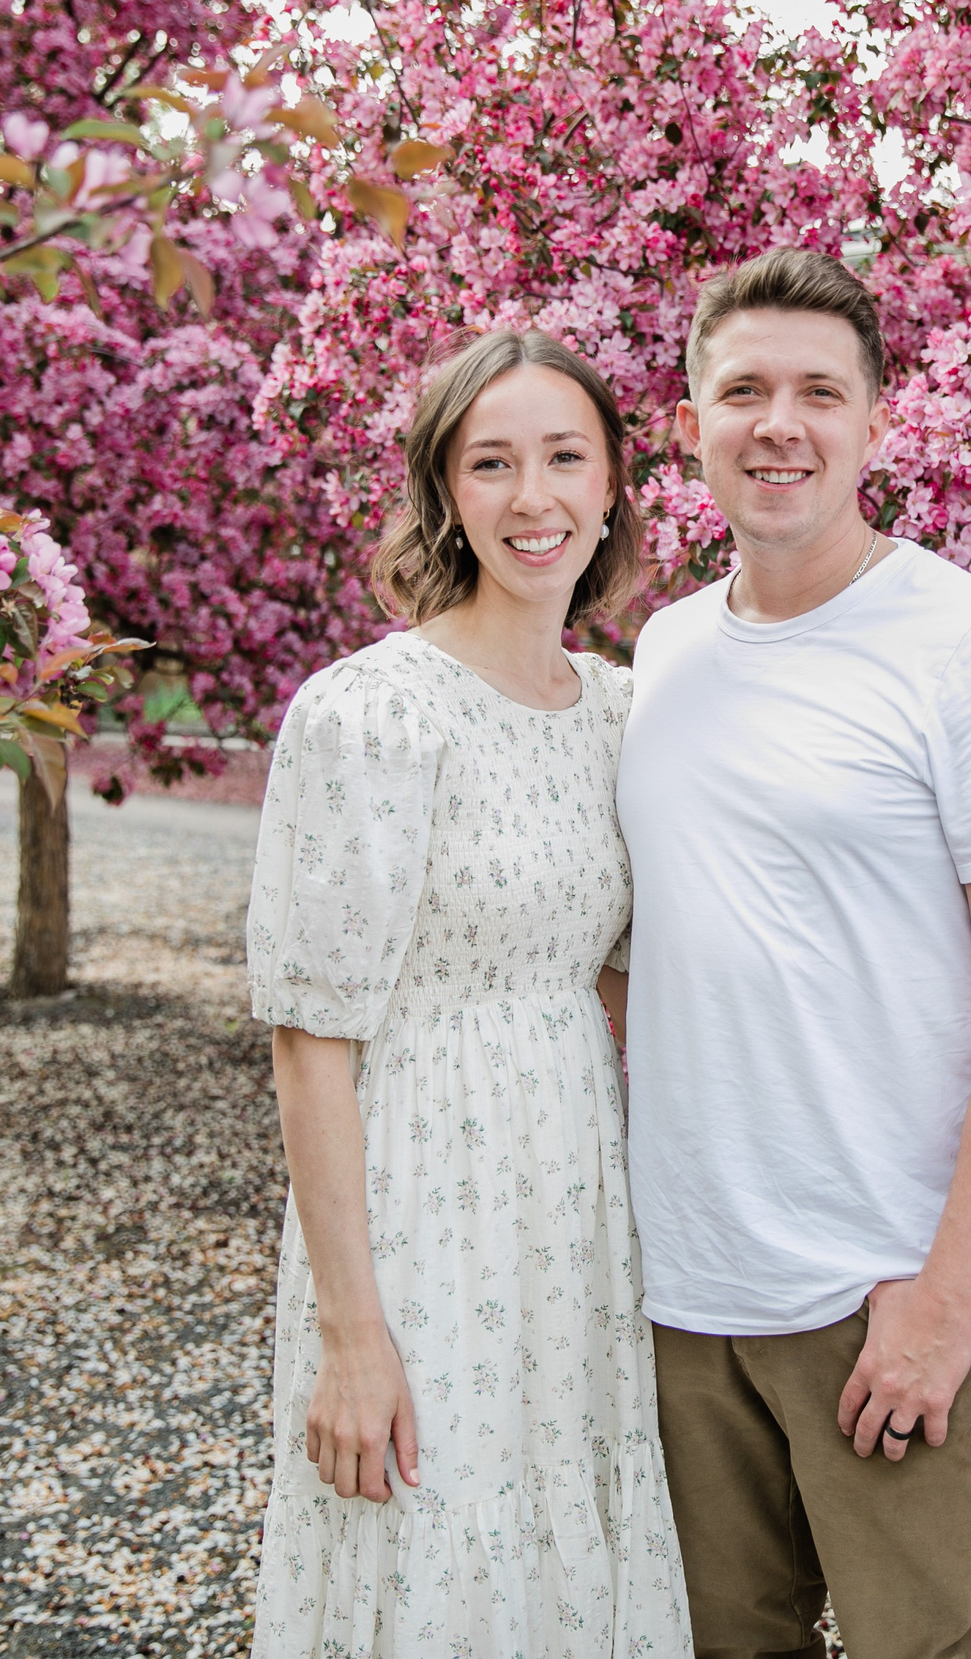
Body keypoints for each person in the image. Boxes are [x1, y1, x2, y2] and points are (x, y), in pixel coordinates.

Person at [617, 249, 971, 1658]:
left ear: (879, 421)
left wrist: (946, 1299)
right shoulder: (664, 654)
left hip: (874, 1290)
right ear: (692, 419)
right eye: (745, 390)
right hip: (684, 1290)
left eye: (820, 392)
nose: (781, 424)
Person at [245, 330, 692, 1657]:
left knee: (566, 1553)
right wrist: (350, 1336)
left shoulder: (617, 711)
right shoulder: (373, 714)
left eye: (564, 457)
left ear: (615, 483)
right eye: (490, 464)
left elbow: (616, 968)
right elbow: (310, 1041)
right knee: (430, 1549)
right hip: (420, 1209)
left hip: (576, 1210)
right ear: (445, 492)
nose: (532, 497)